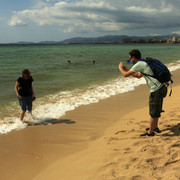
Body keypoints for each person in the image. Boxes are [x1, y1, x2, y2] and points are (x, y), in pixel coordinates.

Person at [119, 49, 167, 136]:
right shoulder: (144, 62)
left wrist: (120, 68)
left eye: (130, 58)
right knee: (156, 109)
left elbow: (125, 75)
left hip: (156, 90)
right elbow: (138, 75)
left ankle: (150, 133)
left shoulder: (139, 64)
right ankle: (154, 127)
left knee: (153, 111)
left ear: (133, 57)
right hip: (162, 87)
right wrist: (127, 70)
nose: (130, 60)